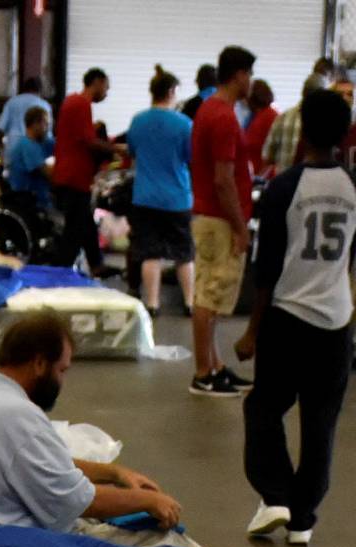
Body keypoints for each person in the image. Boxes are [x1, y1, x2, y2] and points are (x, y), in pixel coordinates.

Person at [239, 85, 356, 547]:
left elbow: (266, 268)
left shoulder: (285, 188)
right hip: (336, 322)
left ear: (302, 129)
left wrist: (251, 329)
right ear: (344, 133)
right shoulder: (352, 187)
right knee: (320, 421)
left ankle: (276, 495)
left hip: (287, 319)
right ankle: (303, 518)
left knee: (264, 407)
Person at [0, 311, 181, 530]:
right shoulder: (17, 415)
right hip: (14, 544)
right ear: (39, 364)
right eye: (61, 371)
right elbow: (75, 500)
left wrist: (115, 473)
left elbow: (48, 465)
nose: (62, 382)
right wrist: (147, 500)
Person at [191, 44, 258, 395]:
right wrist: (239, 226)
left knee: (210, 296)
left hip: (210, 216)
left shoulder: (212, 110)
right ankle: (204, 372)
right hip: (219, 219)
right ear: (239, 75)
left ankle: (214, 366)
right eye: (250, 74)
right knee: (210, 295)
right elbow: (223, 179)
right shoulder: (222, 117)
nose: (252, 81)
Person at [124, 67, 196, 316]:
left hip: (145, 197)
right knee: (184, 254)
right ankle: (189, 303)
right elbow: (191, 158)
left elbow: (132, 151)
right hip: (177, 198)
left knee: (150, 253)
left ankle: (152, 304)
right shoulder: (184, 124)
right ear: (171, 91)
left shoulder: (138, 121)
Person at [52, 68, 116, 277]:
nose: (106, 93)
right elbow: (88, 141)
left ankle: (96, 264)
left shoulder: (72, 102)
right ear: (96, 82)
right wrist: (115, 149)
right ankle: (60, 274)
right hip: (74, 177)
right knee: (75, 230)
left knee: (86, 223)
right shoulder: (81, 104)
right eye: (106, 87)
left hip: (70, 175)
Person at [3, 102, 58, 235]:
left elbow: (58, 146)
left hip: (35, 199)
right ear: (35, 124)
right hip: (30, 201)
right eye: (46, 124)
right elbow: (48, 174)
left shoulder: (39, 143)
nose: (47, 129)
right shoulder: (28, 146)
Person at [264, 77, 317, 178]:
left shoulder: (284, 117)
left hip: (284, 183)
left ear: (303, 92)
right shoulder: (323, 122)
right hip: (311, 183)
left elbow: (268, 156)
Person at [0, 75, 47, 149]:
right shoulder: (44, 105)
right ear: (40, 90)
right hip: (34, 146)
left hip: (13, 144)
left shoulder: (12, 102)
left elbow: (1, 128)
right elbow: (46, 132)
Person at [245, 80, 281, 176]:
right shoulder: (255, 116)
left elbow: (272, 154)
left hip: (264, 178)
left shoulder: (269, 117)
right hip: (255, 175)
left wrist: (259, 178)